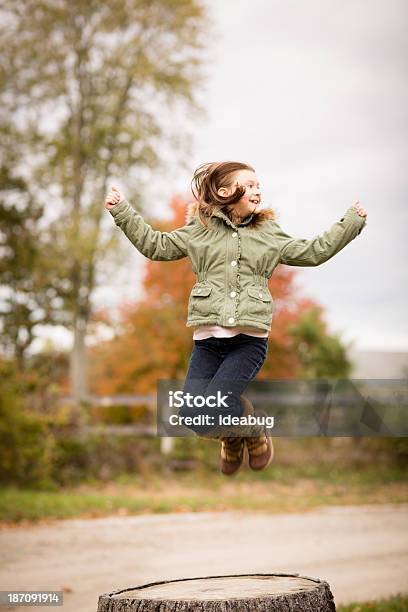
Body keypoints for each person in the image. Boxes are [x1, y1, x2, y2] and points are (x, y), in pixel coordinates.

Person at [105, 160, 368, 476]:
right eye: (251, 184)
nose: (258, 190)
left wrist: (350, 222)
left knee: (217, 407)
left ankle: (250, 430)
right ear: (224, 191)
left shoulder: (267, 232)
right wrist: (122, 211)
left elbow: (313, 252)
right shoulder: (199, 231)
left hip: (247, 343)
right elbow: (156, 246)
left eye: (259, 185)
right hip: (206, 343)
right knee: (192, 416)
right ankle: (239, 433)